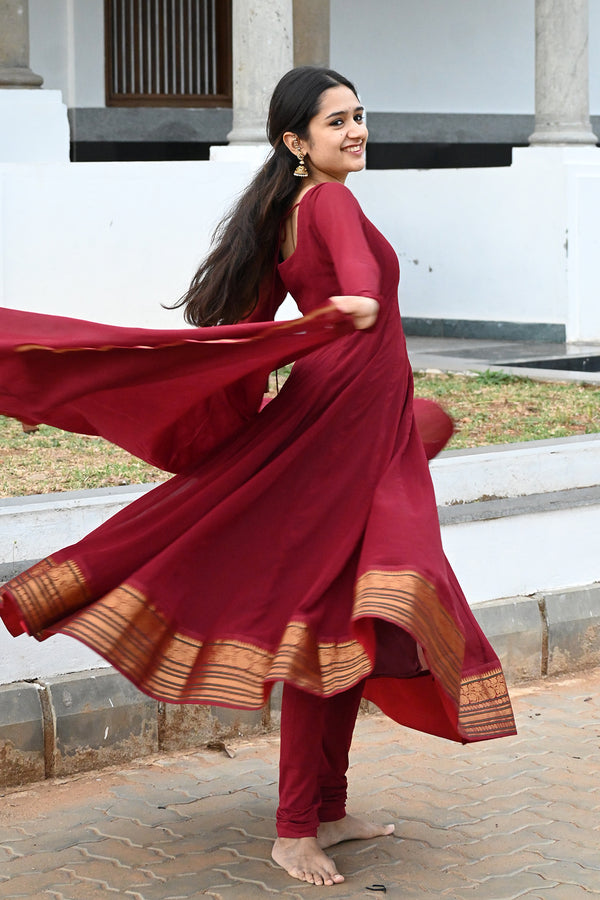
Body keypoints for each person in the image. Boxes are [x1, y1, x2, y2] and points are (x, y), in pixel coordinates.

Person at [0, 67, 516, 887]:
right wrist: (352, 304)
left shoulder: (285, 211)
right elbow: (347, 278)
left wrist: (279, 364)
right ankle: (292, 831)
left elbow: (245, 327)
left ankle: (330, 809)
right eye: (336, 121)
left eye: (359, 116)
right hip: (342, 435)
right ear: (294, 141)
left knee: (356, 622)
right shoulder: (330, 203)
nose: (356, 131)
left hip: (359, 423)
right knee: (328, 629)